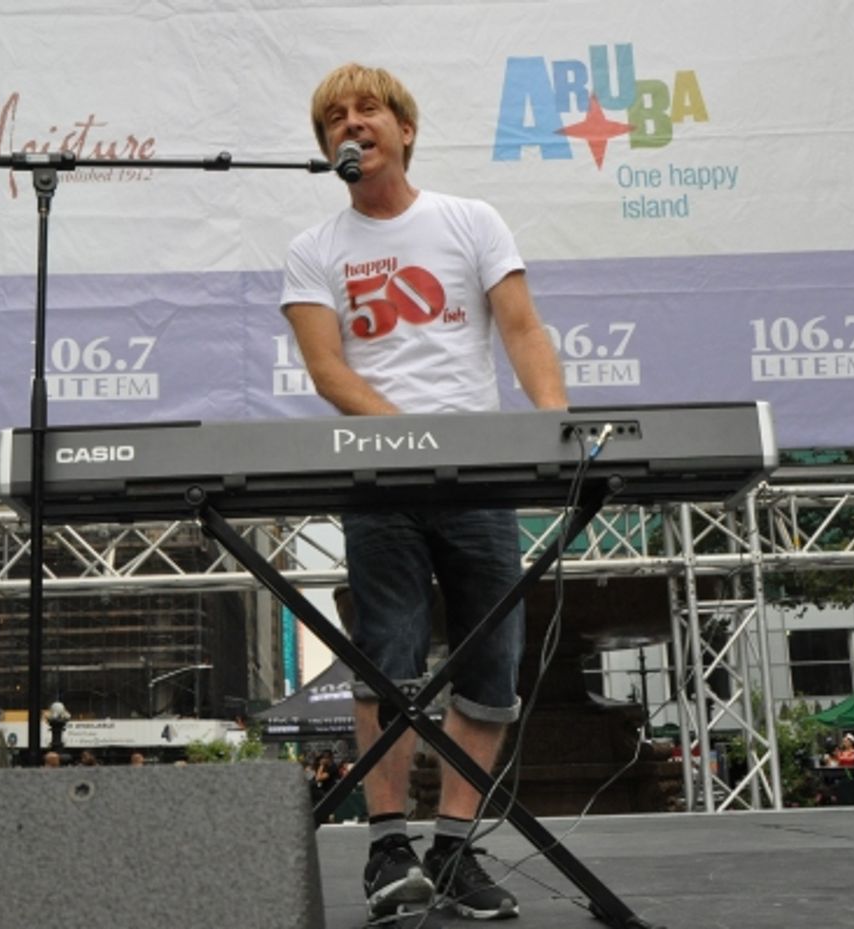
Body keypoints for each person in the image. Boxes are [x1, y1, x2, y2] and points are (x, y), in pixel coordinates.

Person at [281, 62, 567, 922]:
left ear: (405, 129)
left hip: (480, 479)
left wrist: (551, 425)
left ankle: (455, 851)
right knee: (386, 659)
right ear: (326, 147)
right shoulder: (314, 249)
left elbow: (520, 327)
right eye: (333, 118)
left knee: (491, 667)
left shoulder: (469, 221)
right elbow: (331, 372)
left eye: (366, 111)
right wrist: (415, 438)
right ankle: (388, 849)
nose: (349, 125)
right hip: (381, 481)